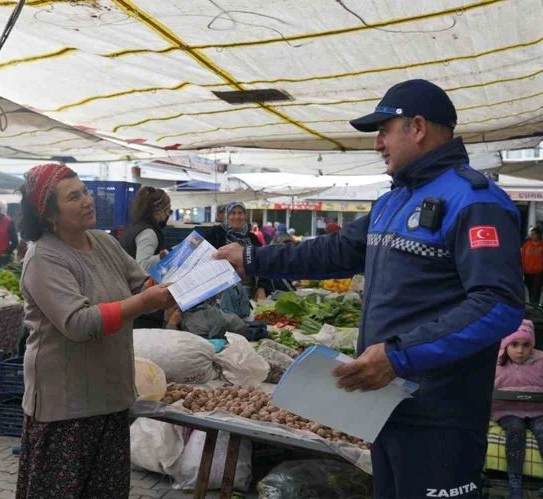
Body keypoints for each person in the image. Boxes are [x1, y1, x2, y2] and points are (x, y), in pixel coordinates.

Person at [214, 79, 524, 498]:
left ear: (417, 127)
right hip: (385, 401)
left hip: (440, 413)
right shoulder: (394, 201)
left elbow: (499, 305)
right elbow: (337, 251)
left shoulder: (475, 202)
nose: (377, 142)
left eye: (384, 129)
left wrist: (399, 354)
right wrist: (253, 258)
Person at [15, 164, 175, 498]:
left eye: (85, 191)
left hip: (111, 399)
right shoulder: (43, 258)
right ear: (49, 214)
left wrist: (177, 279)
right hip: (66, 411)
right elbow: (79, 323)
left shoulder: (102, 242)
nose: (88, 201)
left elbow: (140, 283)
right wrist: (145, 301)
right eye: (74, 197)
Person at [492, 319, 543, 499]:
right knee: (515, 429)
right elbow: (485, 390)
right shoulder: (496, 367)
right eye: (514, 345)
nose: (520, 351)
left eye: (526, 345)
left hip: (540, 410)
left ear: (532, 345)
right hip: (507, 411)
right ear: (505, 345)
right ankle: (515, 484)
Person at [118, 186, 173, 328]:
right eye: (169, 211)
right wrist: (162, 258)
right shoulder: (149, 233)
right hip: (141, 306)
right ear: (160, 211)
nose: (168, 215)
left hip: (126, 297)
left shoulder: (133, 227)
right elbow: (141, 266)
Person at [200, 201, 268, 312]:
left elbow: (263, 264)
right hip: (220, 294)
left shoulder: (253, 239)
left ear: (245, 216)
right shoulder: (215, 234)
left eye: (240, 213)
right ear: (227, 215)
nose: (237, 216)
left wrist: (261, 287)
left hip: (248, 293)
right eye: (233, 213)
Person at [521, 227, 543, 304]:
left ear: (538, 235)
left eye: (534, 234)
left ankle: (534, 305)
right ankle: (532, 304)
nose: (532, 236)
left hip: (540, 272)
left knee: (536, 290)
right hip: (527, 272)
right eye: (531, 234)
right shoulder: (526, 245)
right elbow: (522, 257)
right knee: (530, 290)